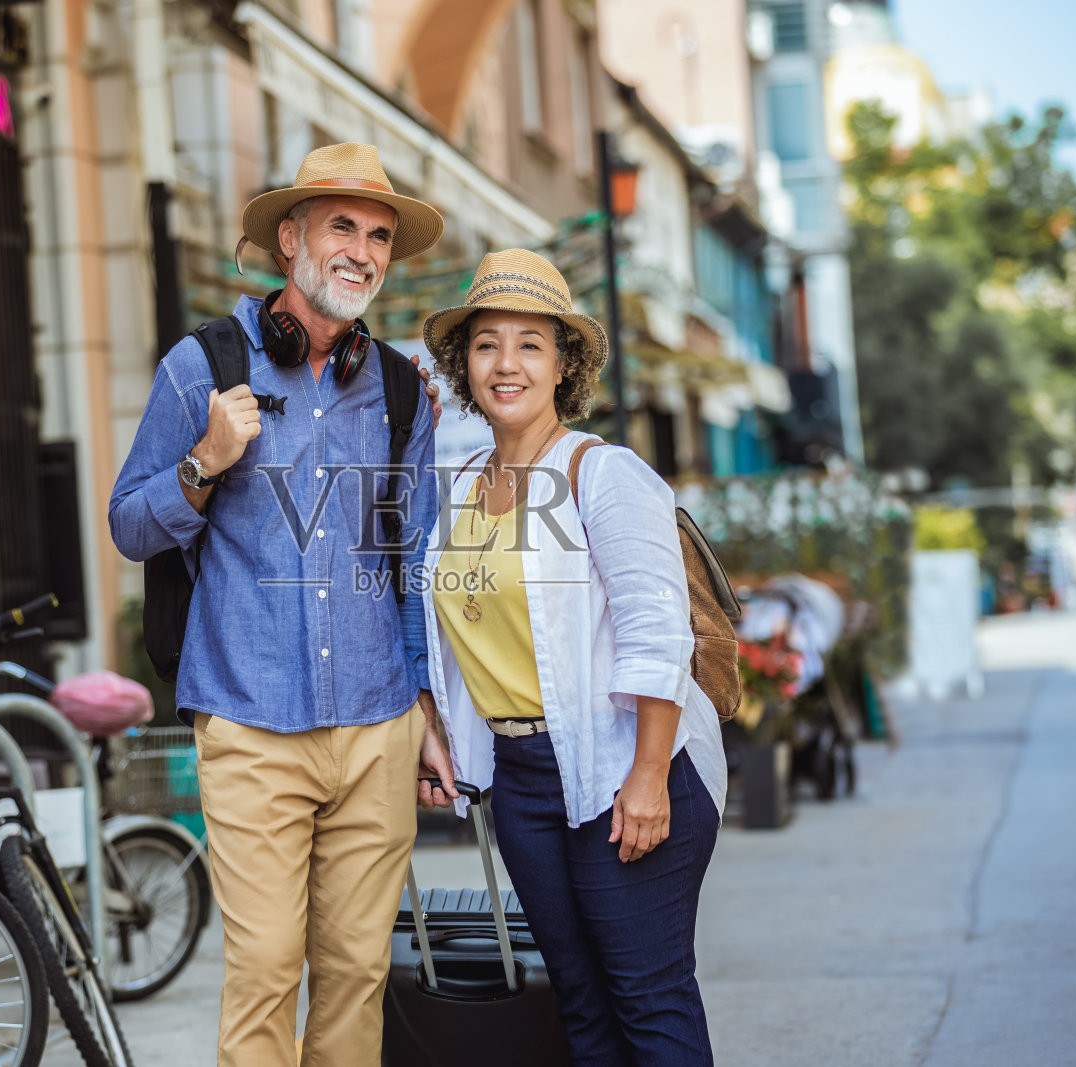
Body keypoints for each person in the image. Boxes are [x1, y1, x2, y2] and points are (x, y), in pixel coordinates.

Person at [108, 143, 455, 1067]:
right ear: (290, 236)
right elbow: (128, 526)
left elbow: (410, 556)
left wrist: (426, 702)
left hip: (377, 720)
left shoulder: (398, 390)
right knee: (264, 968)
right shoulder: (202, 368)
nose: (364, 250)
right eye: (343, 225)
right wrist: (203, 464)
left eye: (379, 235)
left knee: (354, 974)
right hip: (251, 721)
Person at [415, 249, 725, 1065]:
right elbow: (449, 627)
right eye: (486, 344)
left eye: (529, 344)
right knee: (581, 1007)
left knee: (648, 999)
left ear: (564, 364)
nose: (505, 364)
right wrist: (433, 727)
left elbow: (662, 634)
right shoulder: (458, 490)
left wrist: (651, 775)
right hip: (520, 779)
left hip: (622, 765)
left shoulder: (604, 474)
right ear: (463, 363)